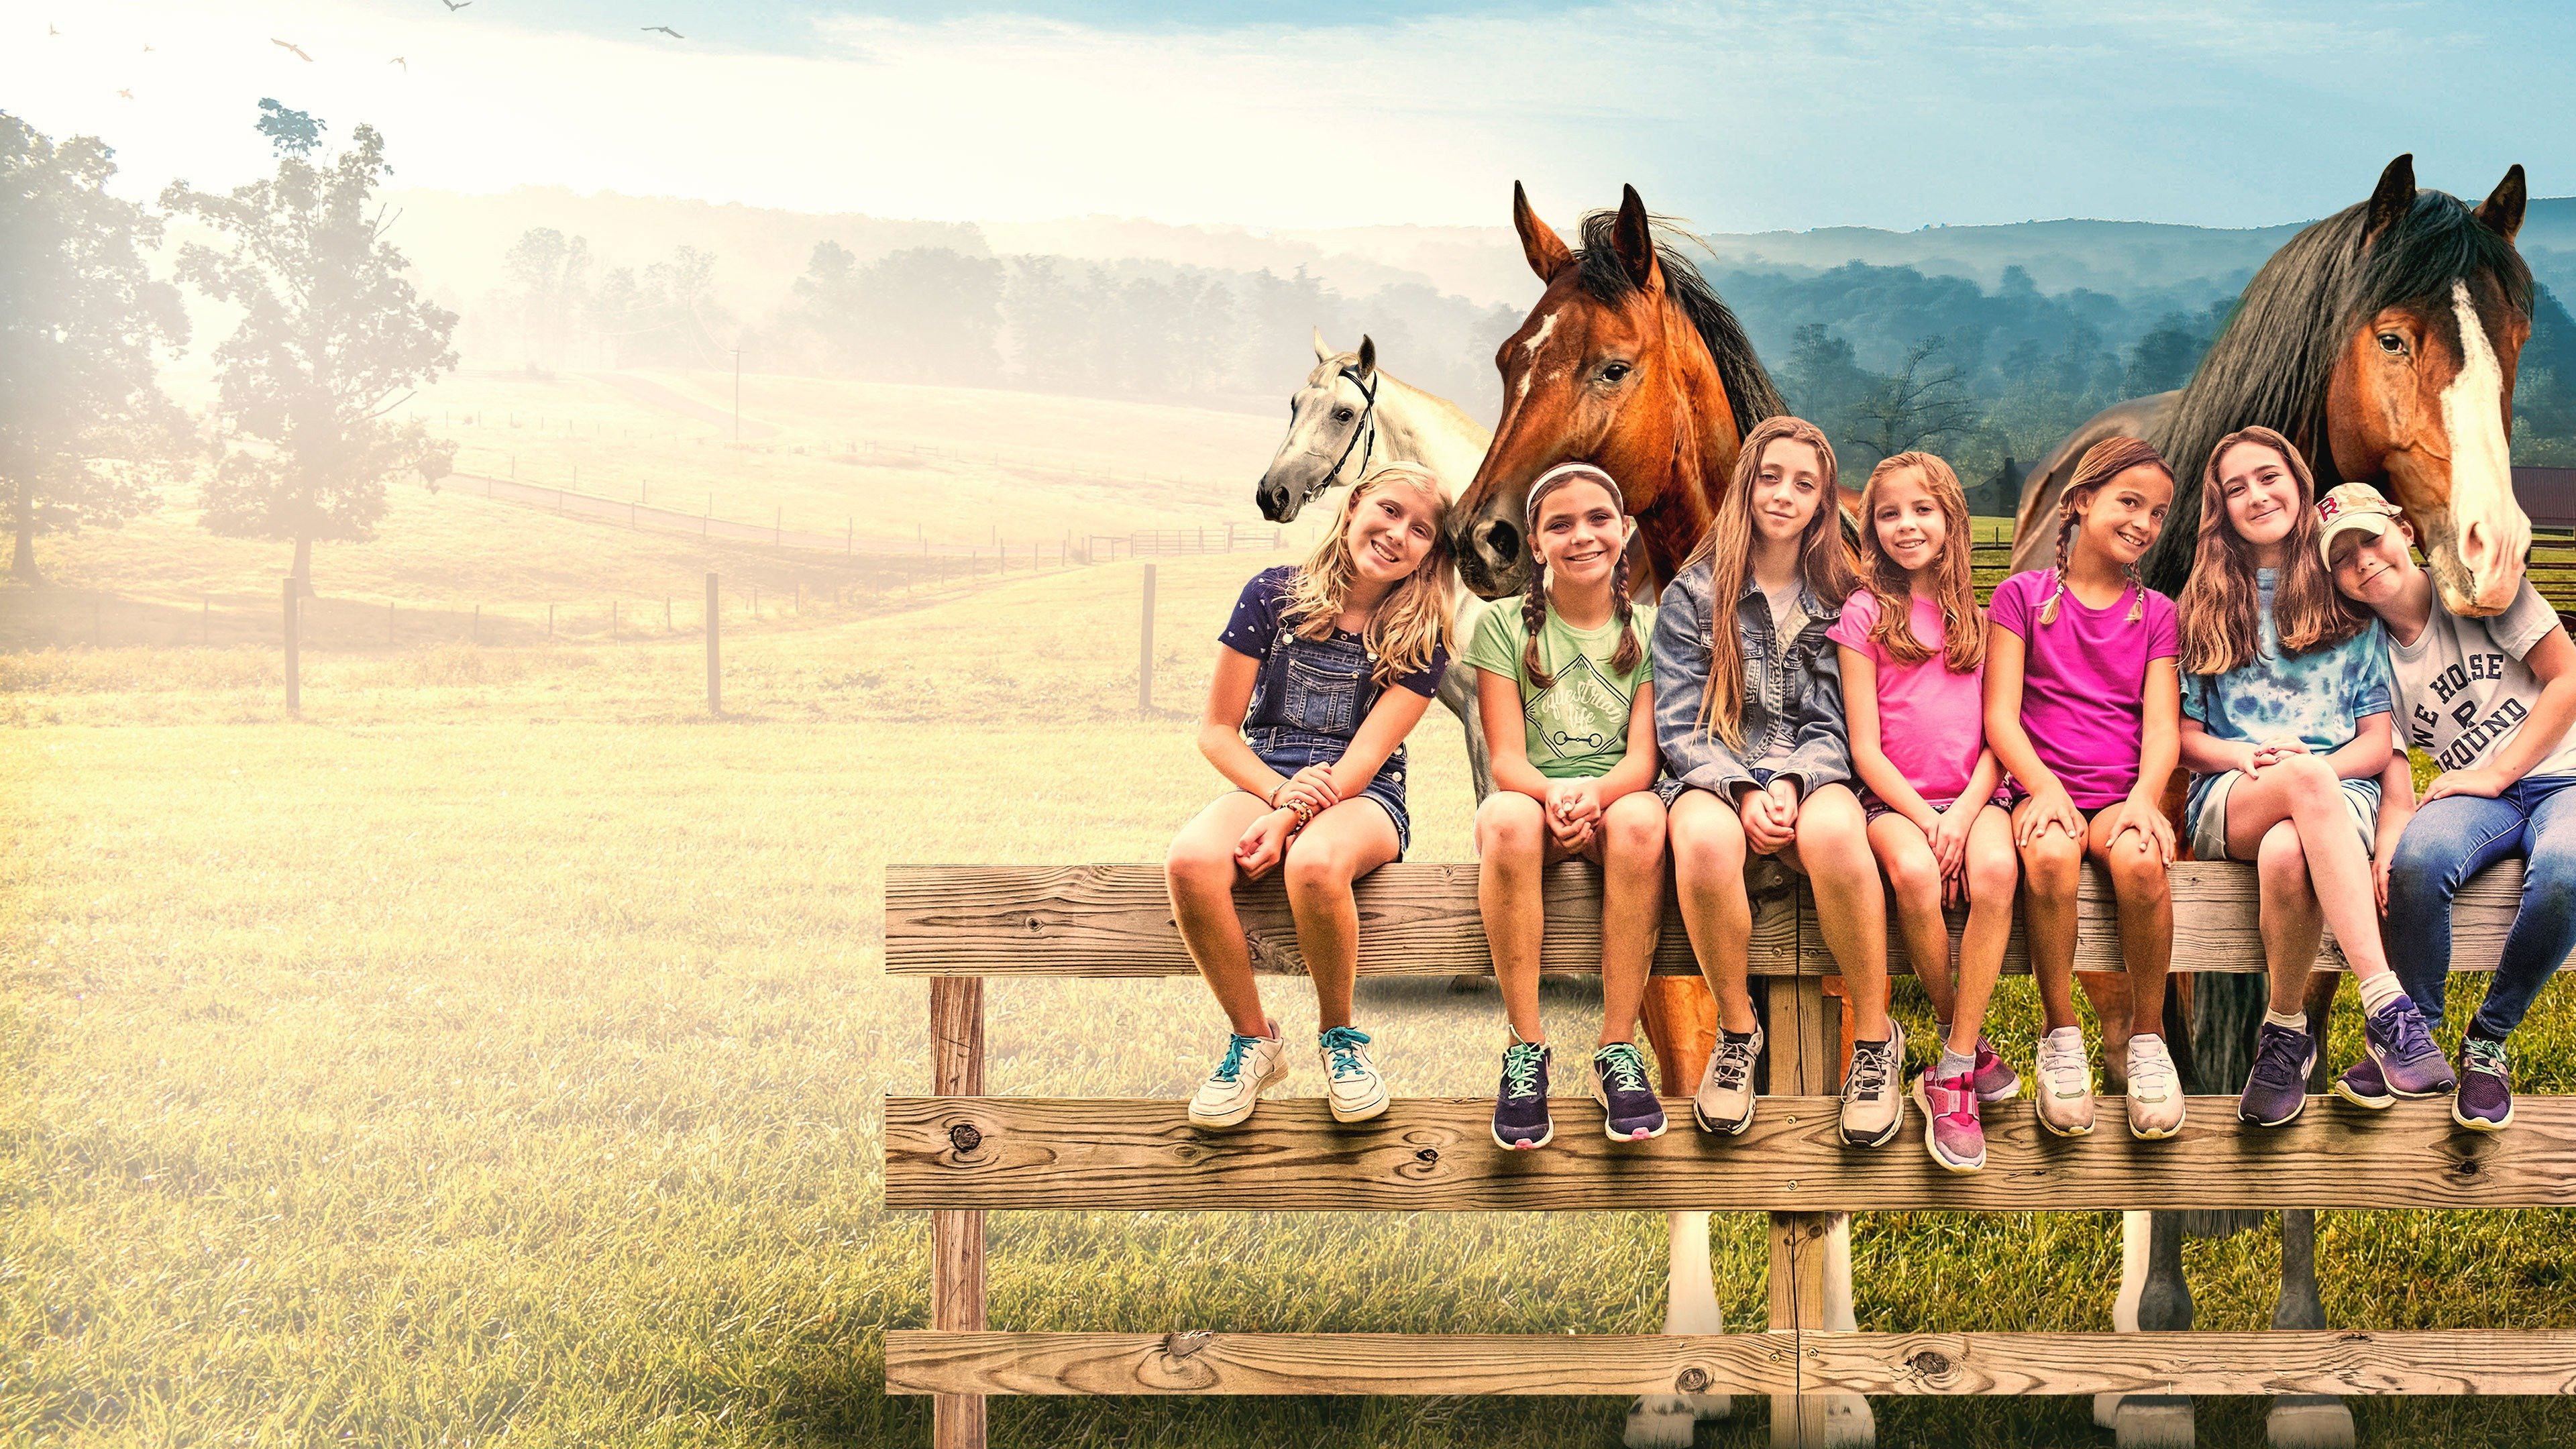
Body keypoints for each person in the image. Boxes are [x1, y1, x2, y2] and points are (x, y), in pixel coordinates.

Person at [2174, 428, 2449, 1126]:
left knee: (2287, 851)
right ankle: (2387, 1003)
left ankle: (2283, 1032)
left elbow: (2376, 743)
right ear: (2221, 509)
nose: (2257, 496)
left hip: (2337, 795)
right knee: (2297, 794)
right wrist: (2241, 758)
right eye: (2236, 489)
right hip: (2233, 796)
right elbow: (2184, 738)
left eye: (2269, 477)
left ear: (2299, 484)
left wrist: (2314, 774)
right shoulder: (2205, 602)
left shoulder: (2343, 600)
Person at [1165, 464, 1453, 1128]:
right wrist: (1276, 796)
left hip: (1364, 795)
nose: (1398, 534)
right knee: (1191, 862)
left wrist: (1289, 820)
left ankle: (1340, 1038)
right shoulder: (1272, 595)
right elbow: (1216, 732)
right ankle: (1254, 1041)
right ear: (1354, 507)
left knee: (1316, 864)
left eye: (1421, 530)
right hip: (1269, 774)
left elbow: (1363, 760)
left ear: (1431, 552)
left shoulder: (1422, 634)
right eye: (1389, 511)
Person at [1654, 416, 1902, 1148]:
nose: (1784, 495)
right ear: (1746, 486)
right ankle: (1737, 1031)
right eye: (1770, 477)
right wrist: (1739, 790)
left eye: (1804, 484)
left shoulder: (1841, 599)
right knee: (1703, 843)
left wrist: (1793, 783)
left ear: (1824, 501)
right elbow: (1680, 723)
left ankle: (1875, 1040)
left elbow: (1837, 719)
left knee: (1838, 833)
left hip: (1813, 771)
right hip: (1714, 772)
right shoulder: (1693, 595)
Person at [2324, 480, 2573, 1130]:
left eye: (2371, 539)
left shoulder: (2478, 588)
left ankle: (2489, 1039)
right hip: (2481, 795)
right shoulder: (2368, 654)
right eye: (2342, 557)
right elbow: (2393, 764)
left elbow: (2568, 676)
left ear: (2404, 531)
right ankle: (2412, 1039)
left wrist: (2498, 773)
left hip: (2564, 774)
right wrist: (2389, 845)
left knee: (2566, 873)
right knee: (2418, 861)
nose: (2362, 560)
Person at [1982, 436, 2183, 1140]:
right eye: (2129, 502)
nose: (2144, 523)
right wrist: (2041, 787)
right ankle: (2060, 1034)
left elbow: (2162, 727)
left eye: (2157, 513)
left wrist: (2145, 797)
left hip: (2119, 796)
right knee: (2048, 857)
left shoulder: (2157, 613)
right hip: (2044, 792)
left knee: (2141, 863)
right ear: (2080, 502)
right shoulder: (2021, 597)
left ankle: (2150, 1038)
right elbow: (2000, 715)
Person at [1467, 463, 1668, 1149]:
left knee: (1645, 818)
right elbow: (1505, 759)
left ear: (1625, 529)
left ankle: (1618, 1046)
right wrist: (1552, 794)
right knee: (1504, 819)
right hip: (1535, 799)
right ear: (1535, 542)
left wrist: (1595, 797)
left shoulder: (1651, 629)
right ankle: (1526, 1047)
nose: (1582, 536)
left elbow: (1642, 762)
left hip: (1616, 803)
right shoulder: (1501, 626)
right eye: (1560, 525)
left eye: (1598, 519)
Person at [1831, 451, 2018, 1173]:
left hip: (1976, 798)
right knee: (1913, 874)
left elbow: (2000, 737)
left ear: (1951, 522)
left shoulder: (1981, 620)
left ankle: (1954, 1067)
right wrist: (1928, 821)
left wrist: (1964, 815)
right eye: (1889, 514)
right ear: (1872, 530)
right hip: (1893, 801)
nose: (1906, 525)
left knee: (1996, 872)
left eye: (1922, 510)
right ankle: (1954, 1029)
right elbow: (1865, 749)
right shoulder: (1864, 615)